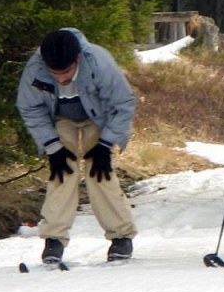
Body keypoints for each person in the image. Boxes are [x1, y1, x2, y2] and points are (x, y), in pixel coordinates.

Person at [17, 28, 137, 264]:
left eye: (66, 72)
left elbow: (123, 104)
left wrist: (105, 145)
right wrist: (53, 147)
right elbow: (30, 108)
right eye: (55, 73)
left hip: (100, 118)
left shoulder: (99, 62)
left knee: (99, 171)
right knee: (63, 170)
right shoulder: (35, 68)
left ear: (78, 59)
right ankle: (54, 239)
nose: (61, 79)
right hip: (62, 119)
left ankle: (121, 236)